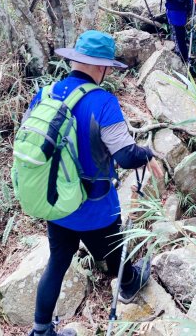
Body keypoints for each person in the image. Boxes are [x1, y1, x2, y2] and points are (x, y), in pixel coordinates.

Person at [28, 30, 163, 336]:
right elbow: (126, 156)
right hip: (94, 203)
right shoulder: (102, 101)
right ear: (101, 67)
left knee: (58, 260)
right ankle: (129, 282)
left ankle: (40, 330)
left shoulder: (46, 93)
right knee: (112, 248)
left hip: (56, 199)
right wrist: (148, 153)